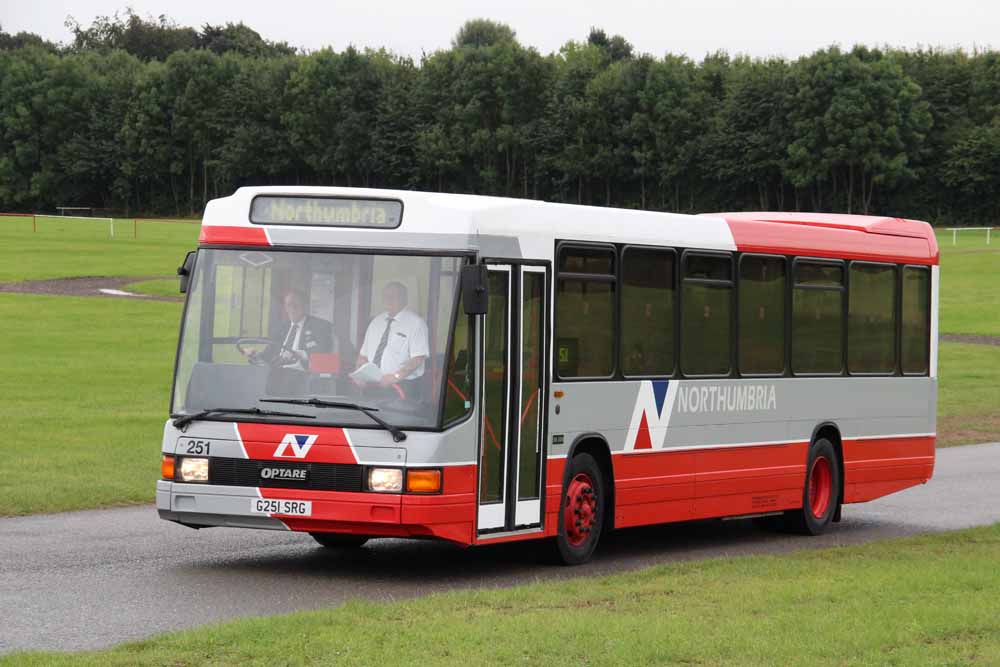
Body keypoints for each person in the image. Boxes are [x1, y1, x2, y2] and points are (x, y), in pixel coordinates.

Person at [356, 281, 429, 399]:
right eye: (386, 296)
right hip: (372, 386)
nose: (388, 300)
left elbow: (418, 358)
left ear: (404, 299)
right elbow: (363, 355)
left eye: (393, 296)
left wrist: (395, 377)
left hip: (401, 387)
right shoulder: (376, 322)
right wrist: (360, 374)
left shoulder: (416, 324)